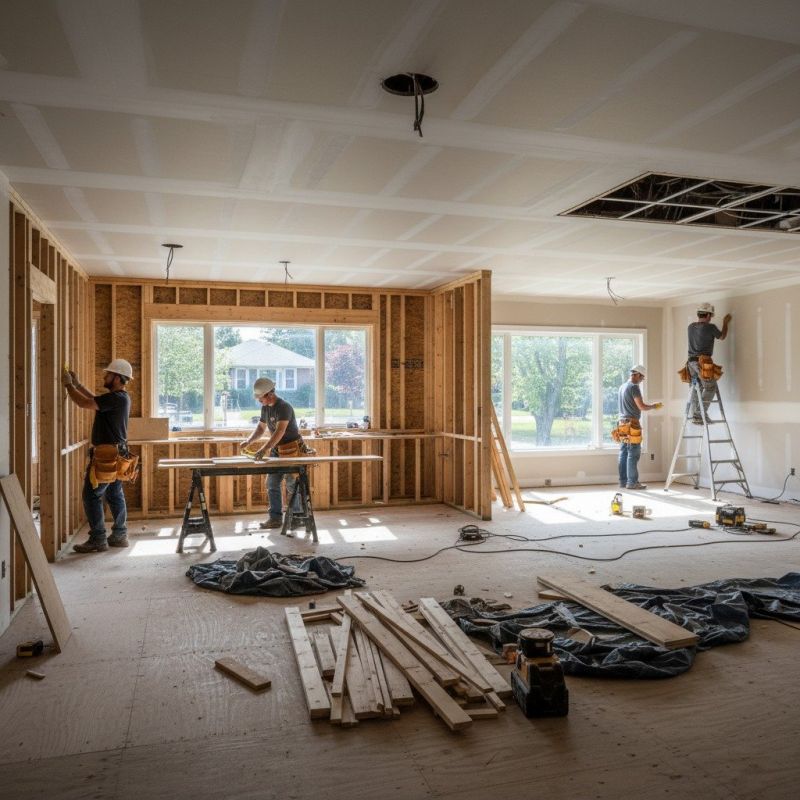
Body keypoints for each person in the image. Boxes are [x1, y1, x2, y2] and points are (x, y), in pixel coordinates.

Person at [62, 359, 133, 552]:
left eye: (108, 374)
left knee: (91, 495)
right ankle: (119, 535)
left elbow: (86, 403)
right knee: (114, 494)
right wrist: (77, 385)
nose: (105, 376)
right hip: (116, 453)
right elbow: (95, 399)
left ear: (117, 378)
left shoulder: (116, 398)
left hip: (107, 455)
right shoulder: (119, 397)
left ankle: (98, 539)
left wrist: (68, 385)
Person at [241, 377, 304, 529]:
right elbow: (261, 429)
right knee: (272, 483)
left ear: (269, 394)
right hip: (277, 449)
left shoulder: (284, 407)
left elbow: (279, 431)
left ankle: (298, 517)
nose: (258, 401)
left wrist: (264, 449)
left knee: (292, 484)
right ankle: (275, 518)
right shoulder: (266, 407)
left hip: (291, 449)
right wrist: (249, 441)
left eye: (260, 397)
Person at [617, 365, 661, 491]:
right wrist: (653, 406)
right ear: (637, 375)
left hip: (622, 423)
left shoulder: (622, 387)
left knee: (624, 452)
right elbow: (641, 406)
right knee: (633, 453)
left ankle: (623, 481)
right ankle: (632, 482)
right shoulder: (633, 387)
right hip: (632, 423)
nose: (641, 381)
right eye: (642, 378)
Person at [687, 302, 731, 423]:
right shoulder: (710, 327)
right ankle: (699, 414)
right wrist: (725, 322)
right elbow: (722, 336)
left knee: (697, 388)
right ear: (707, 315)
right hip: (702, 363)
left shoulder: (690, 326)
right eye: (710, 315)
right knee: (710, 387)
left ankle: (695, 416)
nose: (711, 318)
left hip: (690, 363)